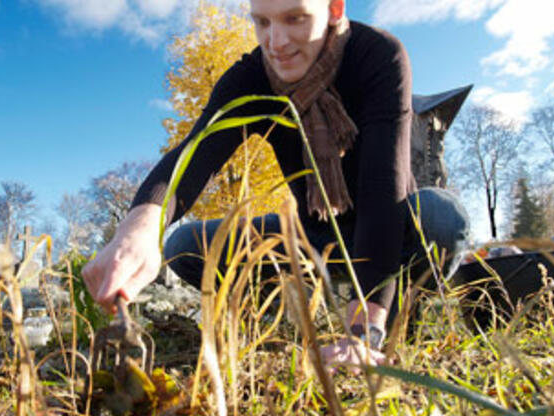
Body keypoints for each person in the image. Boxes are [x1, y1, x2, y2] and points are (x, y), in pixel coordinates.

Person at [82, 0, 470, 371]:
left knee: (441, 217)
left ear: (334, 9)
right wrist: (136, 230)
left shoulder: (378, 56)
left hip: (391, 227)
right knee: (185, 247)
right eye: (262, 22)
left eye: (295, 18)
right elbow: (195, 153)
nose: (276, 42)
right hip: (311, 239)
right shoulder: (252, 78)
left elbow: (382, 191)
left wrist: (361, 333)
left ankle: (395, 308)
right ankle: (270, 321)